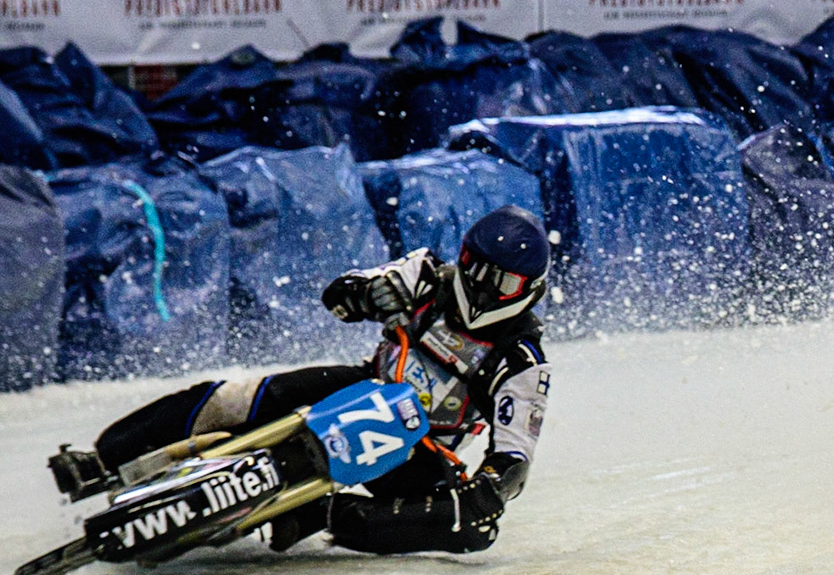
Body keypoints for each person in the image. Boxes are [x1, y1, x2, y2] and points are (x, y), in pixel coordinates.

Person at [46, 205, 555, 555]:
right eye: (474, 266)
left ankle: (322, 513)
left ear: (528, 289)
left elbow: (515, 458)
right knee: (240, 396)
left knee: (476, 530)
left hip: (418, 450)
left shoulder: (522, 360)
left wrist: (491, 489)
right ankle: (103, 458)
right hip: (362, 387)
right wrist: (362, 294)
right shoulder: (425, 273)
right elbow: (344, 293)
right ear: (461, 255)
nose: (482, 286)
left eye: (501, 281)